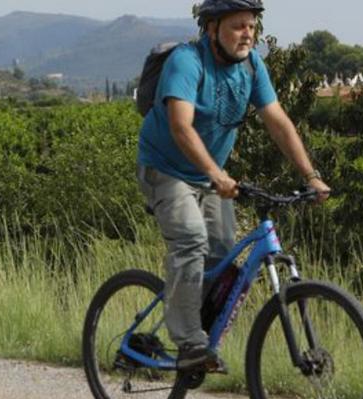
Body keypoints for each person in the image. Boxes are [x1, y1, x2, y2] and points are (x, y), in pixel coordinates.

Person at [137, 0, 330, 371]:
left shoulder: (253, 66)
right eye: (238, 26)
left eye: (252, 27)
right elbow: (181, 127)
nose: (248, 34)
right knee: (192, 238)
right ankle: (188, 341)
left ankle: (199, 338)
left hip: (209, 177)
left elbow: (278, 122)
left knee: (223, 256)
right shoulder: (186, 62)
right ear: (212, 28)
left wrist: (310, 176)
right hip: (165, 170)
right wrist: (215, 173)